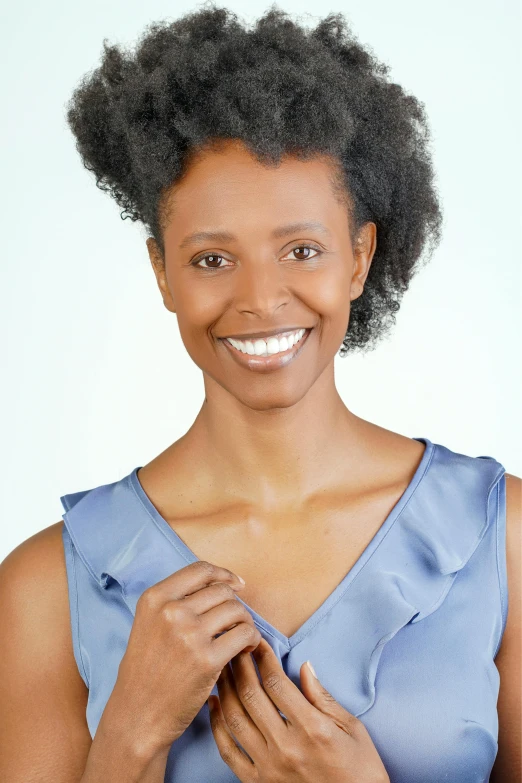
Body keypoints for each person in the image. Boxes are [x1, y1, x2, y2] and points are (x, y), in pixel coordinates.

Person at [0, 4, 520, 782]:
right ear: (161, 272)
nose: (260, 298)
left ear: (358, 256)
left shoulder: (500, 540)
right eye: (212, 259)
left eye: (301, 250)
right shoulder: (44, 587)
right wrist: (127, 740)